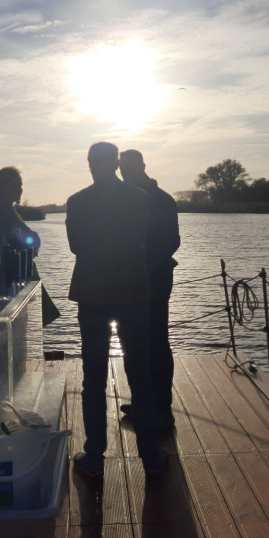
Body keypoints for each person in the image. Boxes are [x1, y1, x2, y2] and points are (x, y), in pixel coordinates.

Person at [66, 142, 167, 478]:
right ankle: (151, 457)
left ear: (92, 164)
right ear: (116, 163)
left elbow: (76, 247)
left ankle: (95, 457)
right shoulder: (139, 198)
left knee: (93, 379)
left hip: (92, 296)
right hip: (133, 294)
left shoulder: (77, 202)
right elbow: (143, 239)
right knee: (141, 377)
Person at [118, 149, 180, 433]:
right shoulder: (122, 199)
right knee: (129, 341)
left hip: (155, 279)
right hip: (128, 281)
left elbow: (172, 242)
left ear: (143, 166)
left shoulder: (163, 200)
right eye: (122, 168)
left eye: (130, 167)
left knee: (157, 341)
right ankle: (142, 401)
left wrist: (141, 261)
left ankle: (163, 410)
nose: (126, 172)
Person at [0, 167, 60, 326]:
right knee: (17, 329)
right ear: (2, 188)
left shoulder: (0, 211)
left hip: (9, 282)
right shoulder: (4, 212)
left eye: (21, 185)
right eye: (16, 185)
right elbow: (30, 239)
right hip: (12, 284)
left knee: (14, 329)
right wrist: (33, 242)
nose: (20, 189)